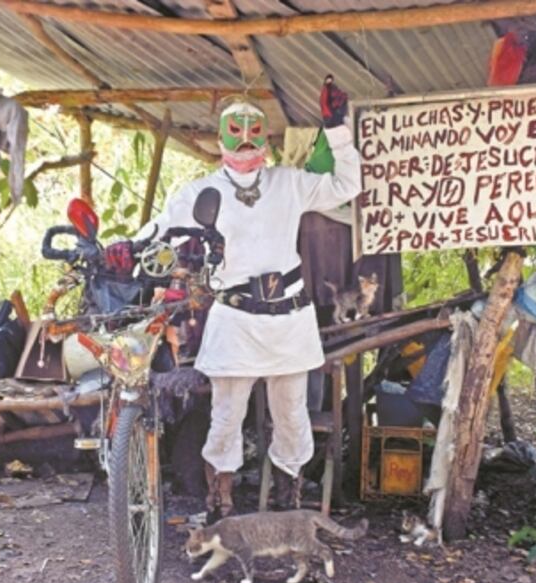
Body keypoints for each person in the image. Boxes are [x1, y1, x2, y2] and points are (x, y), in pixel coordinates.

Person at [107, 78, 360, 522]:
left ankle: (288, 509)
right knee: (225, 418)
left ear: (266, 135)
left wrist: (335, 128)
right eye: (235, 130)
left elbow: (346, 185)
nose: (245, 139)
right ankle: (220, 510)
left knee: (293, 417)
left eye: (253, 129)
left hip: (288, 317)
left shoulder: (289, 182)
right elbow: (160, 229)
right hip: (236, 317)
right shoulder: (200, 193)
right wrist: (125, 244)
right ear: (219, 136)